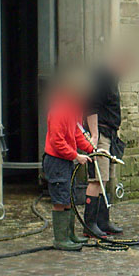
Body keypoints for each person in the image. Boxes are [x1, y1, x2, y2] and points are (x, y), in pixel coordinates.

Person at [42, 73, 95, 251]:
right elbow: (58, 142)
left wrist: (91, 149)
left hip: (66, 160)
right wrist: (76, 156)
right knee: (61, 199)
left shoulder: (74, 108)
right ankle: (60, 239)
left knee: (69, 197)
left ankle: (70, 234)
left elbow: (76, 133)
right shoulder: (58, 111)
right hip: (56, 161)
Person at [83, 55, 128, 239]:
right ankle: (90, 224)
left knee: (106, 179)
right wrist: (94, 135)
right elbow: (90, 106)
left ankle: (103, 221)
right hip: (100, 134)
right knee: (96, 179)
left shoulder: (112, 78)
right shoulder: (101, 78)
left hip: (110, 134)